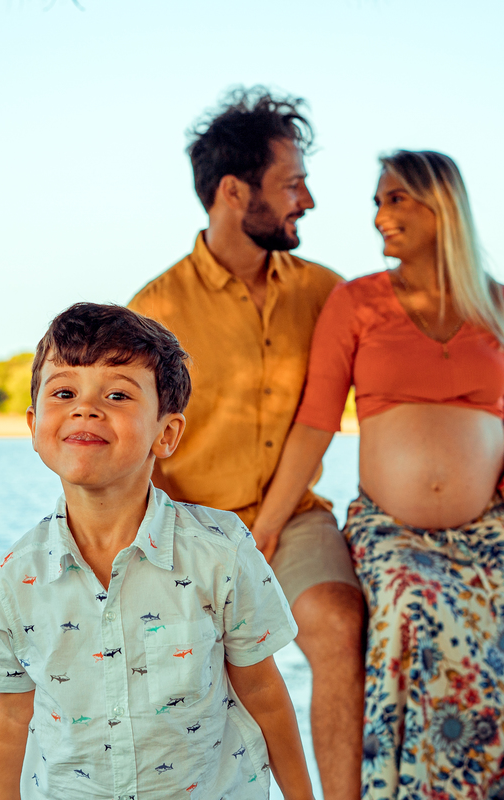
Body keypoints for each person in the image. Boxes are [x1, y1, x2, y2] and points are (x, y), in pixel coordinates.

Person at [252, 151, 504, 799]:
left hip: (494, 532)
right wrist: (267, 526)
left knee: (498, 680)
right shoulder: (356, 301)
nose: (380, 216)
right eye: (378, 202)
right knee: (406, 602)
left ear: (441, 204)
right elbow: (316, 421)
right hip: (394, 532)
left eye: (395, 199)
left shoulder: (503, 304)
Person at [0, 303, 316, 800]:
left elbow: (263, 692)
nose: (85, 408)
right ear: (34, 423)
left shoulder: (220, 553)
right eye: (64, 392)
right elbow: (14, 713)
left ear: (166, 434)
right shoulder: (15, 578)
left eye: (118, 394)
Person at [128, 88, 365, 799]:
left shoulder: (329, 293)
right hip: (188, 526)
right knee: (192, 678)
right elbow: (133, 447)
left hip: (291, 516)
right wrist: (177, 543)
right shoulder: (153, 308)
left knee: (335, 621)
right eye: (292, 184)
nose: (309, 201)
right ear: (234, 191)